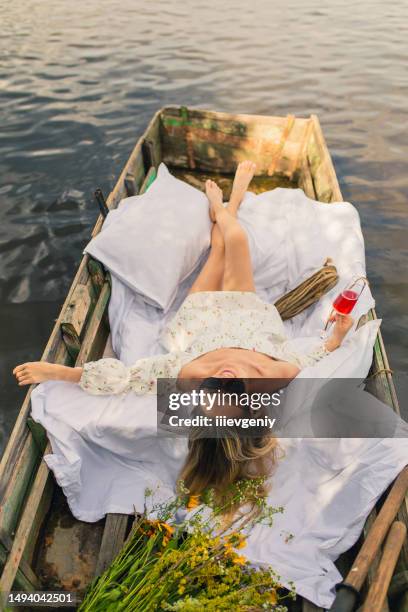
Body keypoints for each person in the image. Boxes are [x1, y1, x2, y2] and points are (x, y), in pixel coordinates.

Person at [14, 161, 353, 394]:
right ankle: (227, 206)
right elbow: (313, 355)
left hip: (199, 321)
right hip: (249, 318)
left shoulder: (188, 377)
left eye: (214, 388)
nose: (224, 378)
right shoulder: (275, 378)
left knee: (218, 248)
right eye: (232, 388)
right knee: (235, 240)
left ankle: (226, 208)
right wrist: (336, 337)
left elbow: (129, 378)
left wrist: (61, 372)